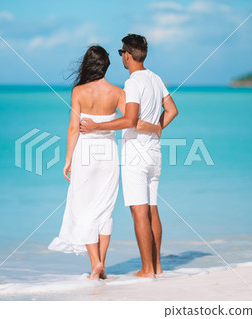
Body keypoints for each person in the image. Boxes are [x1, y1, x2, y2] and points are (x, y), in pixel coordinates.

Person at [48, 45, 158, 280]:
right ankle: (102, 266)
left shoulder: (78, 91)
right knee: (104, 211)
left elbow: (72, 128)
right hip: (108, 153)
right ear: (106, 65)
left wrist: (67, 160)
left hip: (85, 153)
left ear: (88, 65)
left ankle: (95, 263)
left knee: (85, 208)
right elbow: (130, 121)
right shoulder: (117, 92)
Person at [80, 34, 178, 278]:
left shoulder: (133, 83)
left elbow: (130, 120)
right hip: (154, 153)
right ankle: (156, 266)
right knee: (152, 209)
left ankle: (146, 270)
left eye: (121, 51)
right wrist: (158, 128)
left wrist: (96, 127)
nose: (121, 55)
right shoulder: (155, 79)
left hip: (136, 154)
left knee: (139, 211)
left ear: (127, 54)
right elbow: (173, 110)